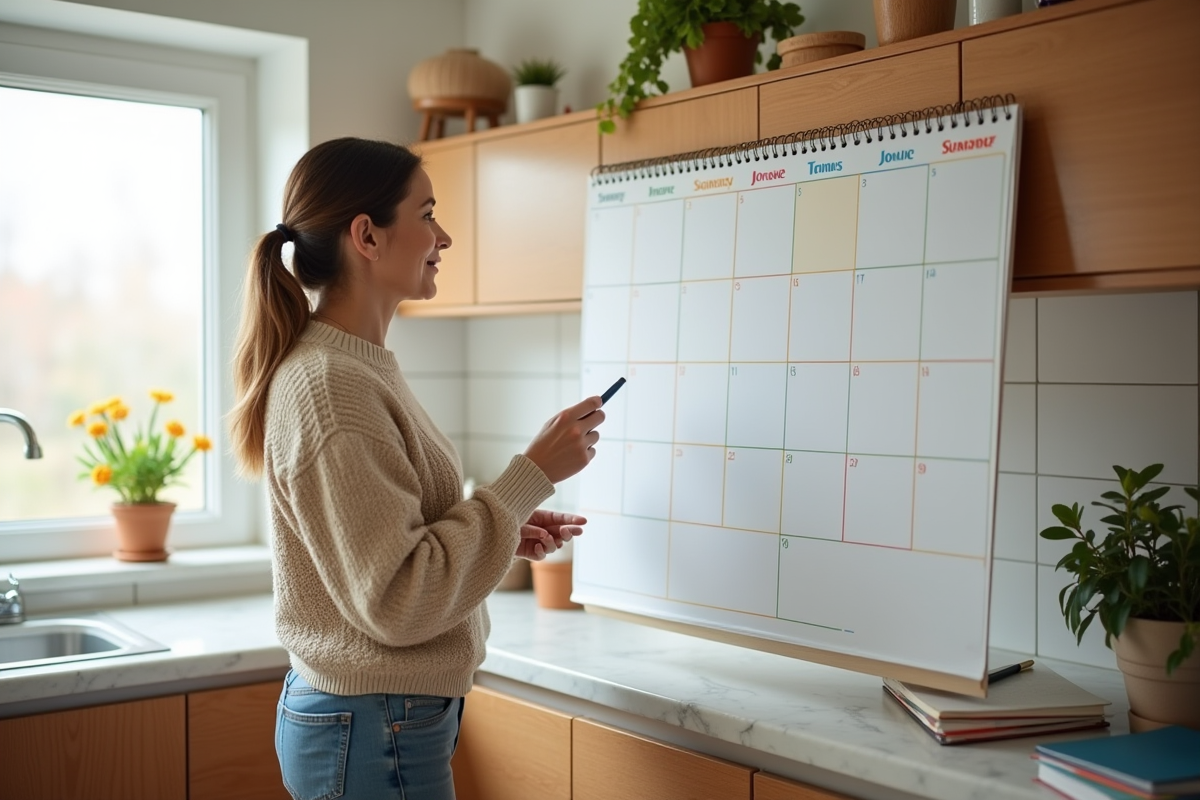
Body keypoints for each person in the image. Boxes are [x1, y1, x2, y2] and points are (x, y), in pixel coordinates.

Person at [228, 137, 605, 800]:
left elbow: (396, 545)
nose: (445, 236)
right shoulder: (331, 385)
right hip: (374, 725)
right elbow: (398, 601)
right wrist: (527, 477)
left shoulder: (358, 367)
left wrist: (502, 521)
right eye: (427, 213)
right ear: (367, 236)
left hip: (385, 721)